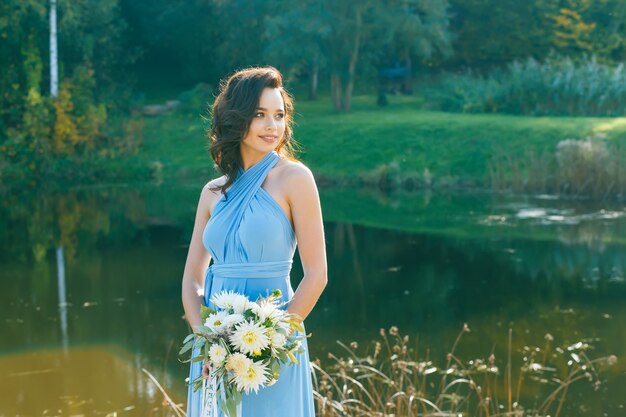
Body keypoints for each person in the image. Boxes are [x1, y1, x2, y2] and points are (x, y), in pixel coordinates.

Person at [181, 66, 328, 417]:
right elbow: (191, 279)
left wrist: (269, 342)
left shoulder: (295, 179)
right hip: (217, 351)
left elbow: (317, 275)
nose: (272, 126)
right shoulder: (213, 192)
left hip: (272, 347)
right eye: (260, 115)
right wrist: (207, 342)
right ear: (237, 118)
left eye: (279, 115)